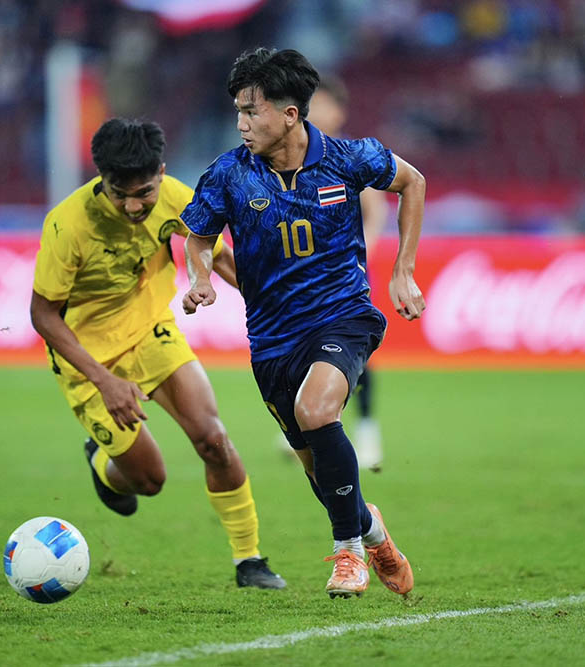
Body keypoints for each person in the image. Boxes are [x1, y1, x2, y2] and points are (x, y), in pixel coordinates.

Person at [181, 48, 425, 599]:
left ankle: (348, 557)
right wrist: (200, 276)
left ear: (290, 114)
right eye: (237, 112)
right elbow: (198, 236)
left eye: (252, 111)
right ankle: (374, 532)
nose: (241, 124)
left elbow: (413, 183)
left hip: (343, 315)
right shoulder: (227, 174)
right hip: (272, 340)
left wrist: (403, 271)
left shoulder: (348, 158)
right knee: (319, 468)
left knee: (315, 410)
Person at [30, 117, 285, 590]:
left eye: (143, 192)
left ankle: (249, 559)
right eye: (118, 192)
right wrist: (104, 382)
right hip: (88, 359)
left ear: (162, 173)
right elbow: (43, 316)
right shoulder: (68, 225)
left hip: (151, 331)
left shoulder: (173, 195)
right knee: (148, 482)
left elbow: (217, 251)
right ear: (100, 178)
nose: (132, 204)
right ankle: (103, 467)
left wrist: (269, 301)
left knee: (213, 438)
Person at [292, 74, 388, 472]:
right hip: (303, 276)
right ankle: (304, 425)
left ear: (341, 111)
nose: (319, 114)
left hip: (347, 274)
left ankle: (367, 431)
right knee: (299, 348)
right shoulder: (291, 159)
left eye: (326, 105)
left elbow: (377, 213)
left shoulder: (350, 156)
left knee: (356, 353)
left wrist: (359, 257)